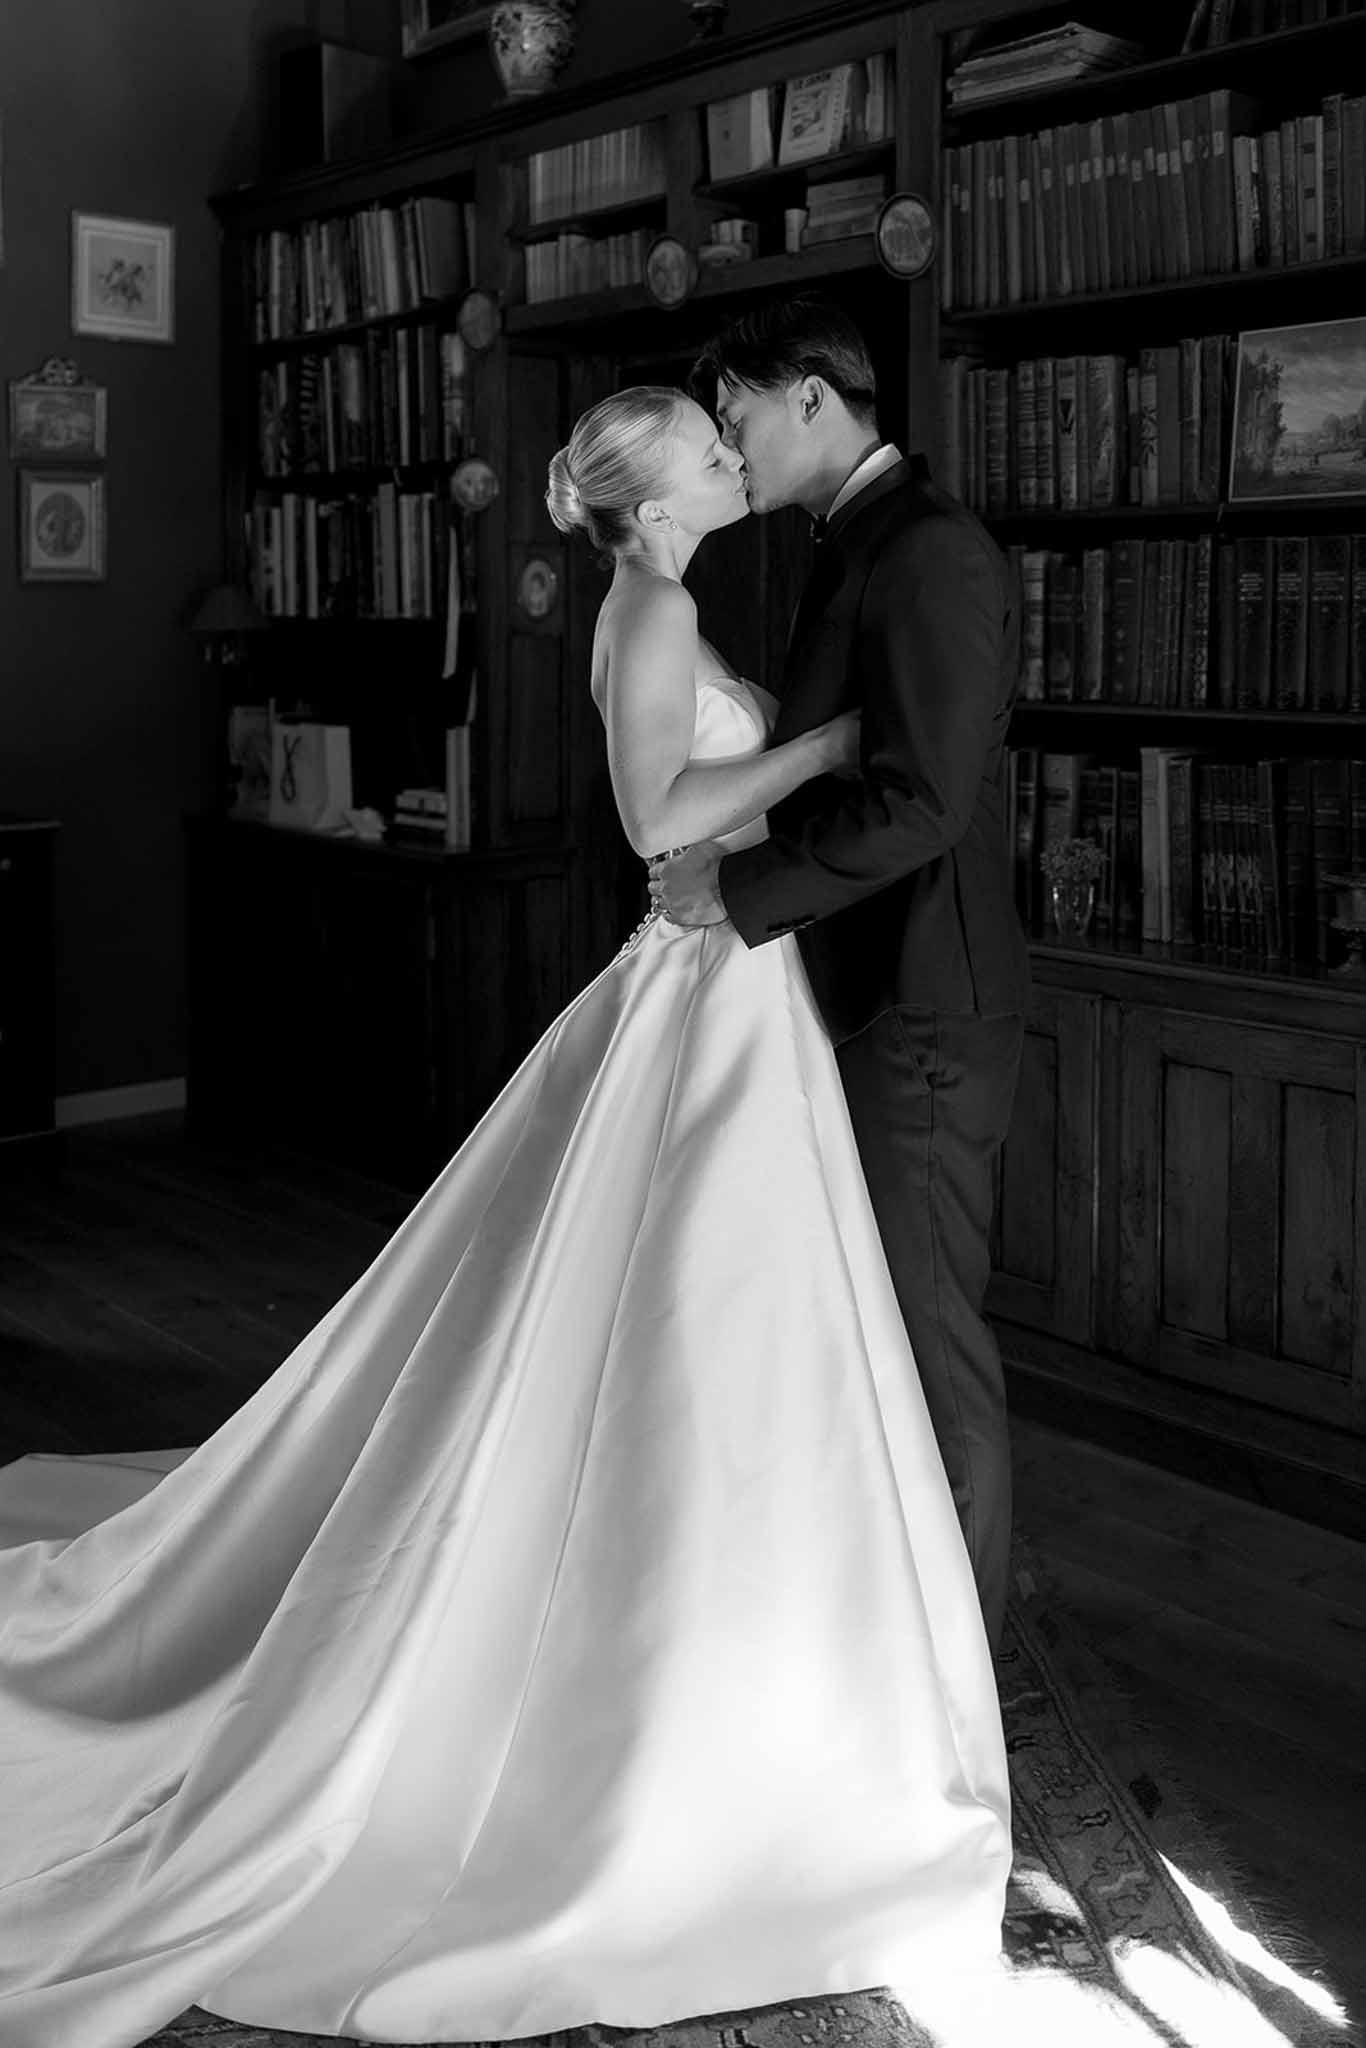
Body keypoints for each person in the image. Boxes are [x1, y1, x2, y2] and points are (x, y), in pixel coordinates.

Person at [0, 386, 1009, 2048]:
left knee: (724, 1319)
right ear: (653, 492)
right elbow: (657, 819)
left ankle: (749, 1631)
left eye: (724, 432)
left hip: (734, 981)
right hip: (707, 980)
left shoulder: (665, 596)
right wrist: (830, 748)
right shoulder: (654, 605)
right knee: (693, 1306)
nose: (727, 451)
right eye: (703, 443)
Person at [652, 295, 1030, 1653]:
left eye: (738, 414)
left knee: (929, 1350)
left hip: (922, 1002)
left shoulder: (925, 549)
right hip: (874, 988)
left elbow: (920, 802)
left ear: (811, 395)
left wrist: (737, 890)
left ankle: (959, 1677)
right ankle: (898, 1647)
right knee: (879, 1336)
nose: (730, 446)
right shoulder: (855, 539)